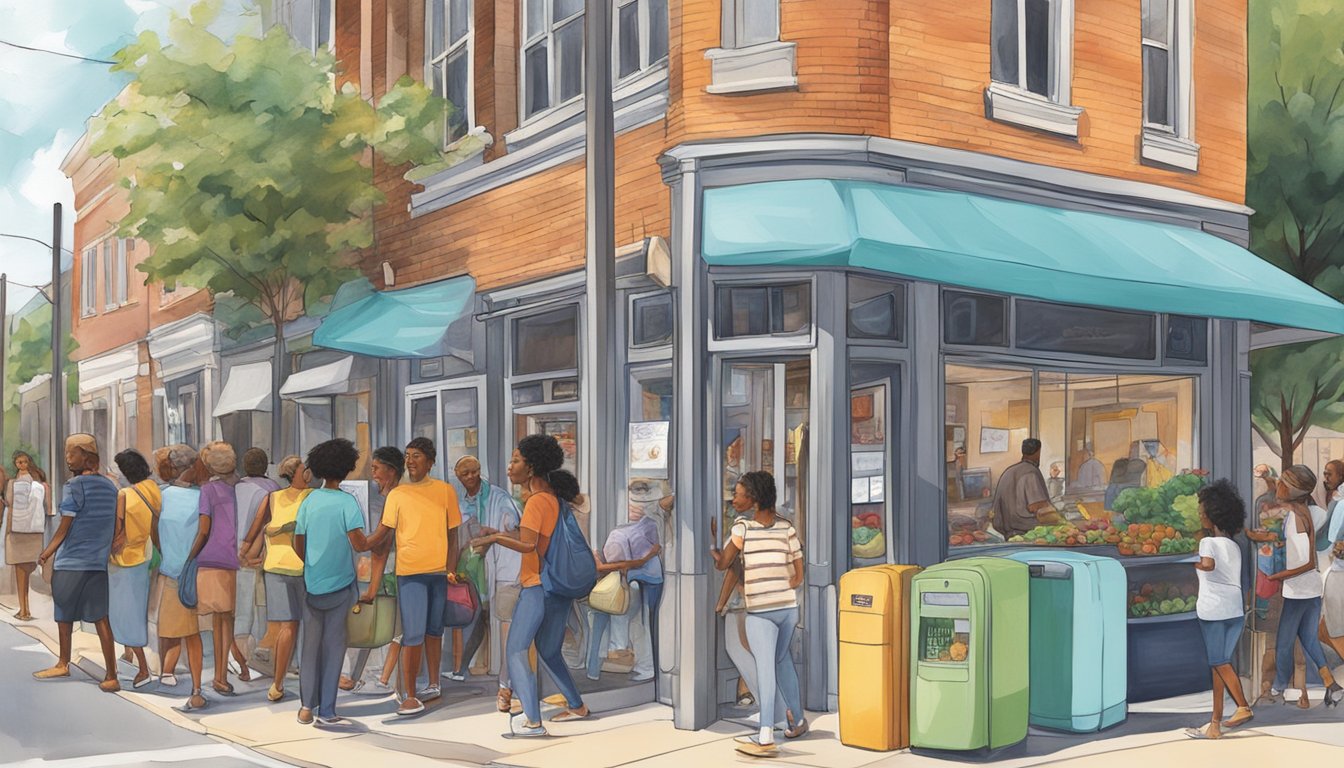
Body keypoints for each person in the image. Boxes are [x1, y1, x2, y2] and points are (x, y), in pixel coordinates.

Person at [477, 434, 590, 737]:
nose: (509, 467)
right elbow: (537, 541)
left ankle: (532, 721)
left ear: (531, 468)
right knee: (549, 650)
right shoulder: (553, 499)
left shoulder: (538, 502)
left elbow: (528, 547)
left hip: (537, 586)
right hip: (556, 587)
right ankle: (577, 706)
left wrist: (493, 538)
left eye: (515, 461)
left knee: (515, 650)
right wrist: (502, 533)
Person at [710, 470, 806, 758]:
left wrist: (713, 546)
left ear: (753, 500)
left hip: (762, 612)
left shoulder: (742, 528)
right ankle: (798, 721)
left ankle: (765, 734)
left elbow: (723, 563)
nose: (734, 499)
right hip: (788, 609)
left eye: (738, 494)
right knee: (782, 661)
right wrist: (779, 586)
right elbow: (798, 575)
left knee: (765, 666)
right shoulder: (787, 528)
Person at [363, 437, 462, 716]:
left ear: (430, 462)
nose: (410, 461)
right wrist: (361, 542)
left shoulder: (445, 491)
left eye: (416, 455)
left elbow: (453, 535)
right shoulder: (398, 495)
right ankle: (408, 694)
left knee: (434, 631)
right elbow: (383, 534)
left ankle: (433, 683)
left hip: (439, 574)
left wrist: (451, 568)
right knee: (414, 633)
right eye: (407, 456)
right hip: (410, 574)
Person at [293, 438, 373, 726]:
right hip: (341, 584)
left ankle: (305, 707)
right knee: (334, 647)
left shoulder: (309, 500)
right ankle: (326, 710)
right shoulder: (347, 503)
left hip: (312, 583)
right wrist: (384, 535)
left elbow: (297, 542)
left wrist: (312, 563)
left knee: (310, 646)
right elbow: (361, 543)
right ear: (348, 467)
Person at [32, 434, 121, 692]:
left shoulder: (74, 486)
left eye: (71, 453)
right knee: (101, 617)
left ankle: (63, 663)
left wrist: (46, 553)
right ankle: (112, 674)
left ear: (85, 455)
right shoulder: (110, 487)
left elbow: (63, 528)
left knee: (64, 615)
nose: (67, 458)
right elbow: (114, 525)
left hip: (71, 561)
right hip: (97, 563)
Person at [1260, 465, 1342, 707]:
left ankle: (1280, 689)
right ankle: (1331, 684)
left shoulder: (1297, 516)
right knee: (1308, 638)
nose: (1279, 487)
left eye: (1283, 483)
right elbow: (1305, 552)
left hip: (1299, 588)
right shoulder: (1304, 511)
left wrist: (1279, 576)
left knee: (1284, 640)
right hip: (1311, 587)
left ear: (1293, 489)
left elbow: (1306, 562)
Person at [446, 456, 522, 702]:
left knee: (489, 617)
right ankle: (466, 669)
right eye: (464, 474)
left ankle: (503, 679)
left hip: (500, 567)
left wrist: (491, 537)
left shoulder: (499, 498)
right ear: (458, 477)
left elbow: (513, 528)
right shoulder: (461, 501)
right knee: (479, 614)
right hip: (472, 565)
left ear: (479, 471)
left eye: (473, 472)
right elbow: (457, 535)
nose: (469, 477)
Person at [1185, 480, 1253, 740]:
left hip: (1213, 611)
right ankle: (1214, 724)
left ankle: (1243, 706)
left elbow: (1209, 565)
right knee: (1220, 666)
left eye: (1202, 511)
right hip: (1235, 611)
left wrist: (1192, 563)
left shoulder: (1207, 543)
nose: (1200, 515)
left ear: (1212, 516)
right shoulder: (1234, 546)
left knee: (1218, 662)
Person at [241, 455, 310, 702]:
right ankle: (284, 680)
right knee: (294, 627)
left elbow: (256, 529)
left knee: (288, 627)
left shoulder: (273, 499)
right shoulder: (309, 497)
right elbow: (256, 529)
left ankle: (279, 683)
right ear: (296, 473)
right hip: (299, 568)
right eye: (305, 469)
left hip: (278, 569)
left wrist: (246, 551)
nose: (309, 473)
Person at [347, 446, 406, 696]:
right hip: (394, 571)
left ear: (391, 471)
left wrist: (360, 542)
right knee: (390, 627)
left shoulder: (394, 498)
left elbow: (381, 543)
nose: (373, 474)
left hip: (395, 571)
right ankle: (372, 678)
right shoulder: (395, 496)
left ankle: (384, 681)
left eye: (376, 468)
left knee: (393, 627)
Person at [187, 441, 244, 695]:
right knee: (227, 620)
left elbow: (203, 529)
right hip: (235, 560)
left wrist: (190, 556)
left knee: (214, 621)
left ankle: (218, 676)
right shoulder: (242, 489)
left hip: (210, 559)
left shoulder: (208, 490)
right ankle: (222, 675)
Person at [156, 446, 208, 709]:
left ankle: (169, 672)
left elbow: (155, 531)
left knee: (172, 628)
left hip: (172, 568)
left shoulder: (162, 495)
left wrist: (164, 552)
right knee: (192, 634)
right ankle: (196, 687)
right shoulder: (202, 497)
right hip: (196, 570)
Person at [108, 449, 161, 689]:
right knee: (137, 609)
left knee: (125, 613)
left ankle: (142, 667)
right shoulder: (152, 488)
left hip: (124, 559)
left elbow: (117, 532)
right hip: (146, 554)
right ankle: (129, 653)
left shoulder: (124, 495)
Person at [234, 448, 279, 664]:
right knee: (262, 607)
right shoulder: (273, 490)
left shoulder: (236, 488)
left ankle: (240, 658)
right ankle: (262, 655)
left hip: (234, 553)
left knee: (240, 609)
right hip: (260, 555)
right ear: (266, 466)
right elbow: (265, 525)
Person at [4, 450, 50, 621]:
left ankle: (24, 610)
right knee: (25, 570)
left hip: (19, 533)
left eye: (23, 462)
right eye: (18, 462)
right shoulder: (39, 484)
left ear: (28, 462)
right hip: (33, 531)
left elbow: (9, 500)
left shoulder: (14, 483)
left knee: (21, 571)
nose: (21, 465)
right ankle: (25, 608)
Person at [989, 439, 1061, 539]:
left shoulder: (1009, 471)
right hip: (1025, 531)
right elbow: (1036, 506)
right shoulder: (1030, 472)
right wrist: (1060, 519)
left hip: (1006, 530)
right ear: (1038, 452)